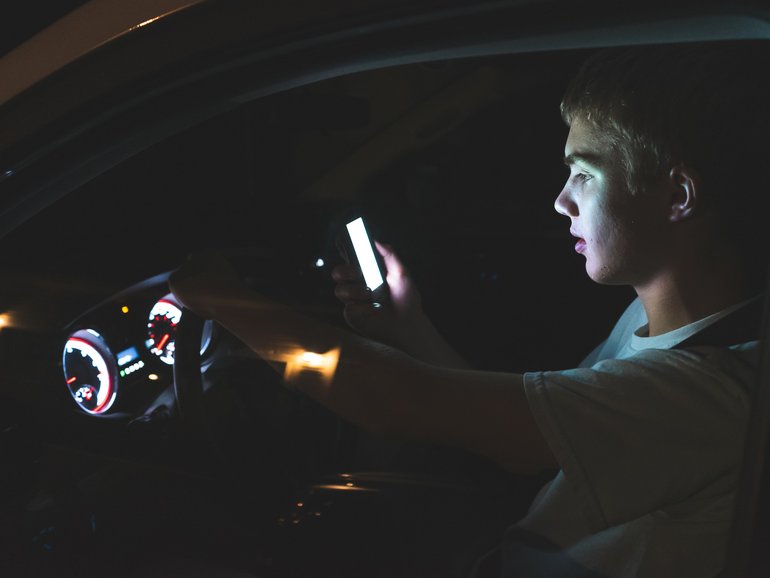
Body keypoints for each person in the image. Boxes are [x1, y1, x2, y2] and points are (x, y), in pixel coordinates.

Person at [169, 41, 769, 577]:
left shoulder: (709, 392)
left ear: (677, 196)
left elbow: (392, 398)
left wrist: (228, 304)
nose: (561, 201)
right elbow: (532, 440)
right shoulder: (659, 329)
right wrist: (408, 325)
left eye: (584, 174)